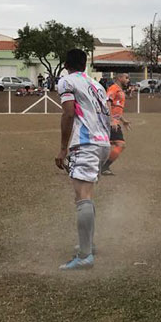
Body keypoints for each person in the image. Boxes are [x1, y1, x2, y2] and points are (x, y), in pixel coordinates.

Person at [55, 49, 112, 270]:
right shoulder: (97, 85)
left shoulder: (66, 81)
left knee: (82, 196)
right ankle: (88, 244)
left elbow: (69, 113)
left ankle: (85, 255)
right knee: (86, 195)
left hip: (86, 142)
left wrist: (62, 149)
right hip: (102, 143)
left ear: (66, 64)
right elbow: (106, 113)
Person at [102, 73, 131, 176]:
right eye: (126, 78)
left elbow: (116, 108)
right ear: (119, 78)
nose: (128, 80)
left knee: (103, 144)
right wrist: (111, 120)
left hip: (114, 121)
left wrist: (123, 120)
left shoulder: (119, 90)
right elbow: (107, 103)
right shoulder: (114, 88)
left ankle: (77, 158)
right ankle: (104, 167)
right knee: (120, 144)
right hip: (109, 122)